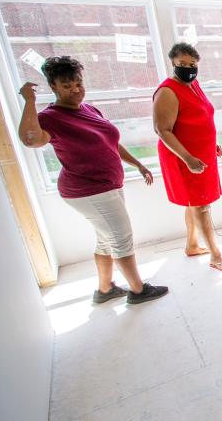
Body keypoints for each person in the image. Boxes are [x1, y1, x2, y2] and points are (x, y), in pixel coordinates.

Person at [17, 56, 169, 304]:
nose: (75, 90)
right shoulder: (51, 117)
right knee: (121, 238)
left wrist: (137, 164)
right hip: (87, 189)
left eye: (78, 83)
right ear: (53, 87)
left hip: (107, 185)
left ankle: (106, 289)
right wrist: (30, 102)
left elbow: (110, 143)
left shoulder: (89, 109)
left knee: (106, 239)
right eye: (67, 86)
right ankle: (139, 290)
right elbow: (31, 139)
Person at [152, 42, 222, 271]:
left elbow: (200, 117)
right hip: (183, 155)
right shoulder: (167, 91)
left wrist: (212, 144)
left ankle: (191, 245)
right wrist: (188, 158)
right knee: (201, 205)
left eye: (192, 64)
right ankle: (216, 256)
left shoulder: (193, 84)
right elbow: (162, 130)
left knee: (193, 203)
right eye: (182, 64)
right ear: (173, 64)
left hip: (202, 151)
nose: (188, 68)